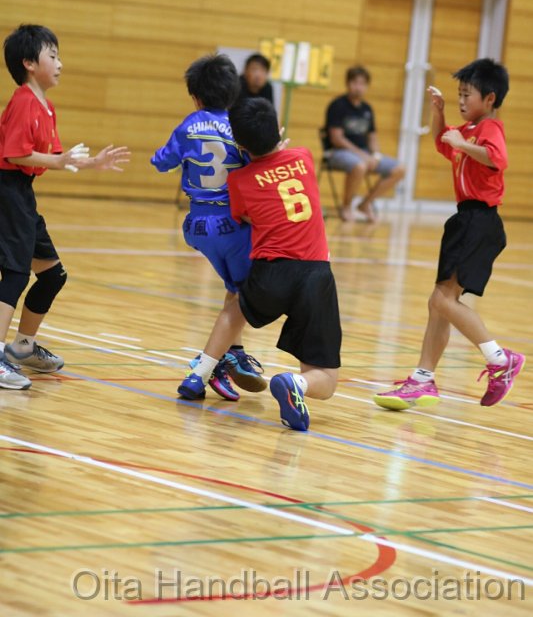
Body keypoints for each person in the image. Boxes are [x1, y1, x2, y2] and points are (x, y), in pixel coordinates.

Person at [176, 97, 342, 432]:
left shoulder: (240, 181)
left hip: (271, 272)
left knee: (234, 307)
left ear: (240, 146)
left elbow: (245, 216)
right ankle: (297, 384)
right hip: (315, 275)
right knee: (326, 378)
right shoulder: (303, 156)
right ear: (278, 129)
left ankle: (200, 374)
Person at [374, 59, 524, 411]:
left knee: (443, 301)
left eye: (467, 94)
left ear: (489, 98)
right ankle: (423, 379)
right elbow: (444, 143)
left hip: (479, 220)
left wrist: (462, 141)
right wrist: (439, 114)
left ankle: (500, 359)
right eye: (459, 94)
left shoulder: (489, 128)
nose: (461, 100)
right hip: (465, 220)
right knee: (438, 303)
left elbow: (497, 159)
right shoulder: (467, 130)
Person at [0, 24, 131, 390]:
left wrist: (92, 163)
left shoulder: (46, 107)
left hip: (21, 193)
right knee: (15, 275)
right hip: (6, 190)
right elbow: (14, 153)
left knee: (53, 275)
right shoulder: (23, 101)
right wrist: (58, 161)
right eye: (52, 56)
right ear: (29, 63)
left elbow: (57, 157)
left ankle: (22, 347)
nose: (60, 63)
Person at [151, 54, 267, 401]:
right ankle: (213, 364)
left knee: (236, 289)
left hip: (197, 226)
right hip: (232, 225)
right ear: (233, 93)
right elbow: (256, 164)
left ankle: (234, 352)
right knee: (249, 292)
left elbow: (161, 162)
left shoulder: (188, 125)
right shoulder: (237, 126)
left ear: (196, 97)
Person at [324, 65, 405, 222]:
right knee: (359, 166)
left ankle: (365, 203)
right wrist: (362, 155)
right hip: (337, 152)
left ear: (367, 86)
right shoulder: (337, 105)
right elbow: (337, 139)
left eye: (362, 83)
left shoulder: (367, 109)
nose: (358, 87)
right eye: (355, 82)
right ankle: (346, 206)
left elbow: (372, 136)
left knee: (399, 169)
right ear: (348, 83)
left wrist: (376, 155)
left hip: (364, 153)